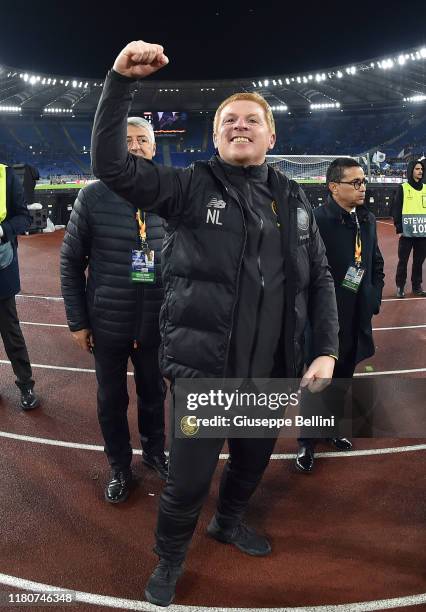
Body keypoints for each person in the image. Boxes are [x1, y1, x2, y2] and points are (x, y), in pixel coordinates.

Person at [91, 40, 339, 607]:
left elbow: (321, 279)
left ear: (272, 136)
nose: (241, 126)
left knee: (252, 464)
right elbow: (110, 166)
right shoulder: (187, 187)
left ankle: (228, 522)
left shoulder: (294, 197)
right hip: (208, 373)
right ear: (216, 136)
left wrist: (325, 348)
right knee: (187, 483)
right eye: (230, 120)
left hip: (272, 370)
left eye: (253, 119)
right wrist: (119, 83)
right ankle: (170, 560)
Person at [60, 117, 168, 504]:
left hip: (157, 322)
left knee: (155, 393)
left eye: (143, 140)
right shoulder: (92, 197)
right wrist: (78, 321)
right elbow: (71, 262)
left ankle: (156, 453)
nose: (136, 146)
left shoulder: (170, 194)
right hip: (108, 323)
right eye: (128, 141)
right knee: (111, 400)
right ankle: (120, 466)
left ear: (154, 147)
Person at [296, 158, 385, 472]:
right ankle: (307, 442)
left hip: (356, 314)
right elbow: (302, 270)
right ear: (334, 187)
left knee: (345, 375)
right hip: (323, 318)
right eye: (355, 183)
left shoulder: (367, 220)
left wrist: (372, 297)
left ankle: (332, 428)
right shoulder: (314, 221)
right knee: (317, 379)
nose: (363, 188)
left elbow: (375, 263)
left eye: (363, 182)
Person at [0, 162, 39, 410]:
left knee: (10, 331)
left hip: (1, 266)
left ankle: (26, 386)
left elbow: (23, 217)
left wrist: (2, 231)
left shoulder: (6, 174)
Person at [392, 160, 426, 297]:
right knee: (403, 261)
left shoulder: (425, 188)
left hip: (422, 233)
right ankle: (400, 287)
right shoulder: (403, 188)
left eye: (421, 169)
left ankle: (416, 286)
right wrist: (399, 228)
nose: (420, 171)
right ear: (411, 170)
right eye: (417, 168)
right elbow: (396, 208)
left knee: (419, 262)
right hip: (406, 234)